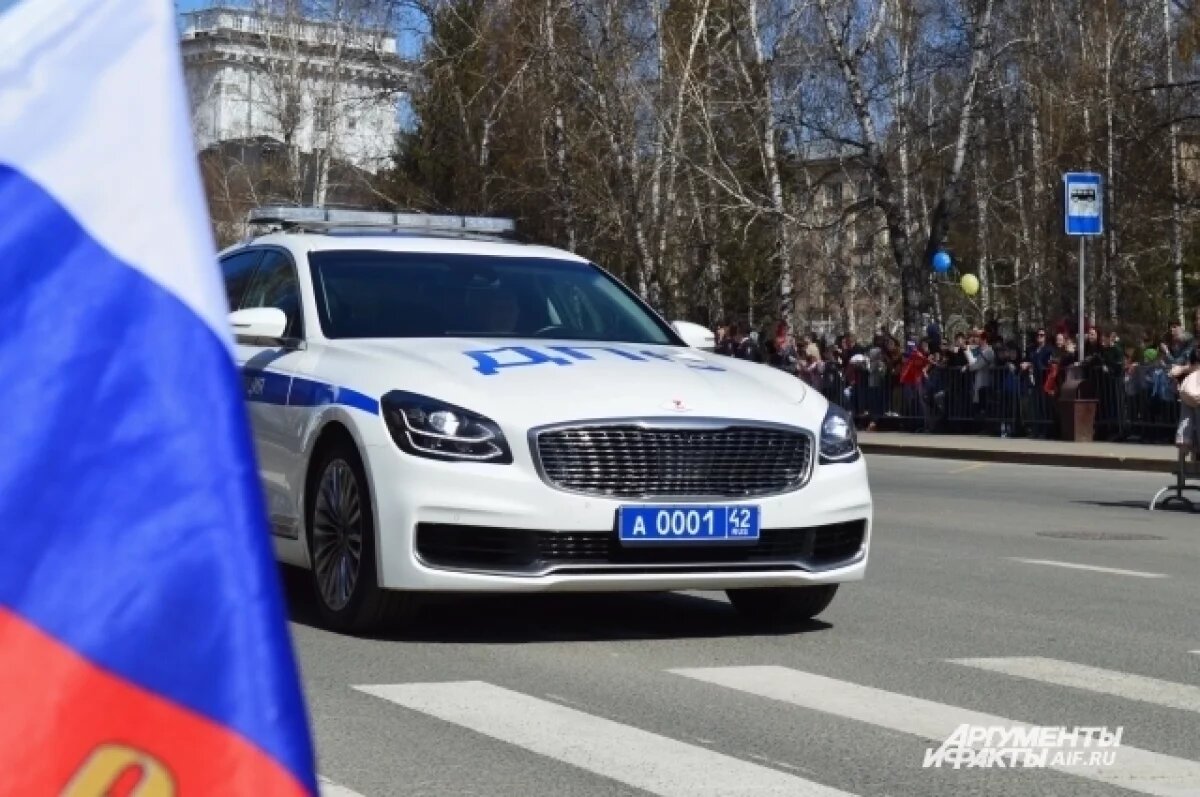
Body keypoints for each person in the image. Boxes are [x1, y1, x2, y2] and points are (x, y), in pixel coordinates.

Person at [1170, 349, 1200, 461]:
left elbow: (1173, 372)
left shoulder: (1189, 373)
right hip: (1192, 401)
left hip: (1189, 399)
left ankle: (1184, 443)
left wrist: (1187, 368)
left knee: (1186, 417)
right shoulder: (1190, 372)